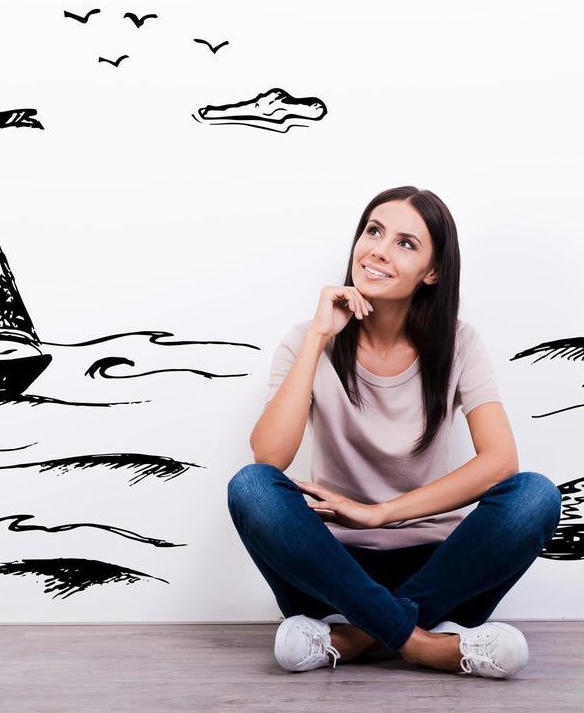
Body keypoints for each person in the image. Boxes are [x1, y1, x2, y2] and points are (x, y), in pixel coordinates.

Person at [226, 186, 563, 679]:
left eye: (406, 243)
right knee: (250, 487)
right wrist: (320, 337)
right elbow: (269, 456)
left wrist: (379, 513)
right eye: (374, 231)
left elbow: (499, 463)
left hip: (441, 570)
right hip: (332, 570)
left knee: (534, 495)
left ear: (433, 272)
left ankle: (354, 638)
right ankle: (425, 644)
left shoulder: (460, 343)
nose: (379, 250)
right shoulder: (307, 339)